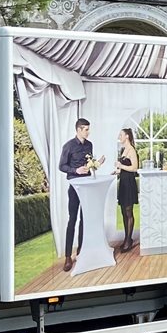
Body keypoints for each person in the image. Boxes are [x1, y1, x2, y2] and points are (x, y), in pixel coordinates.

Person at [57, 117, 94, 274]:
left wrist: (93, 165)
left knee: (84, 219)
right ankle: (68, 257)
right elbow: (61, 166)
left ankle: (81, 250)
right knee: (72, 219)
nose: (88, 132)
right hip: (74, 186)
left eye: (88, 129)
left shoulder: (89, 145)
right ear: (78, 130)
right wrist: (75, 170)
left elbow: (89, 162)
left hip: (87, 185)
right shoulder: (68, 146)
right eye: (86, 129)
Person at [115, 126, 140, 254]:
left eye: (121, 135)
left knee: (129, 211)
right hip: (123, 183)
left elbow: (134, 168)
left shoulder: (131, 150)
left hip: (129, 183)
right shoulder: (123, 150)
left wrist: (121, 165)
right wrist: (117, 170)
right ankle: (126, 238)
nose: (119, 137)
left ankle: (128, 240)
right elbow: (124, 168)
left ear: (127, 136)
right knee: (123, 212)